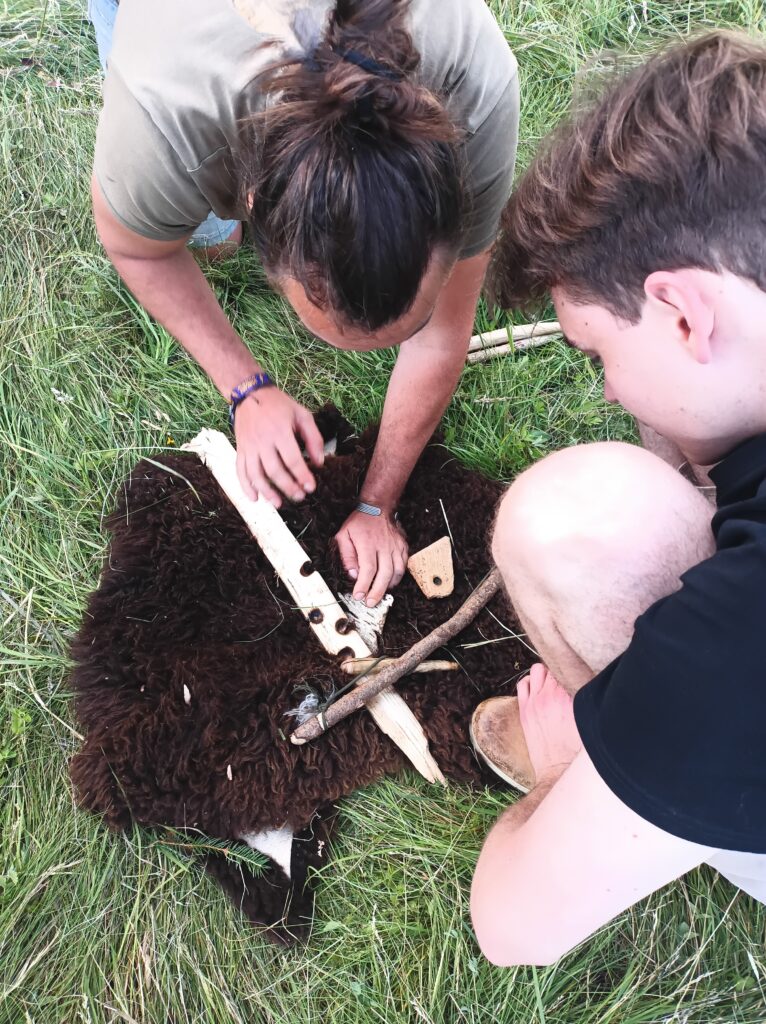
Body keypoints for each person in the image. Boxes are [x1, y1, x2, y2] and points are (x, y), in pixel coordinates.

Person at [469, 31, 766, 966]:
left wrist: (581, 771)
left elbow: (510, 928)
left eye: (599, 355)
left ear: (682, 313)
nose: (605, 391)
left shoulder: (741, 644)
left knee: (558, 523)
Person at [88, 0, 519, 607]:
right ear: (258, 201)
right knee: (189, 231)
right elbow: (138, 249)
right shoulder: (166, 109)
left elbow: (444, 334)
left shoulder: (479, 91)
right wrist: (246, 389)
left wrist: (377, 502)